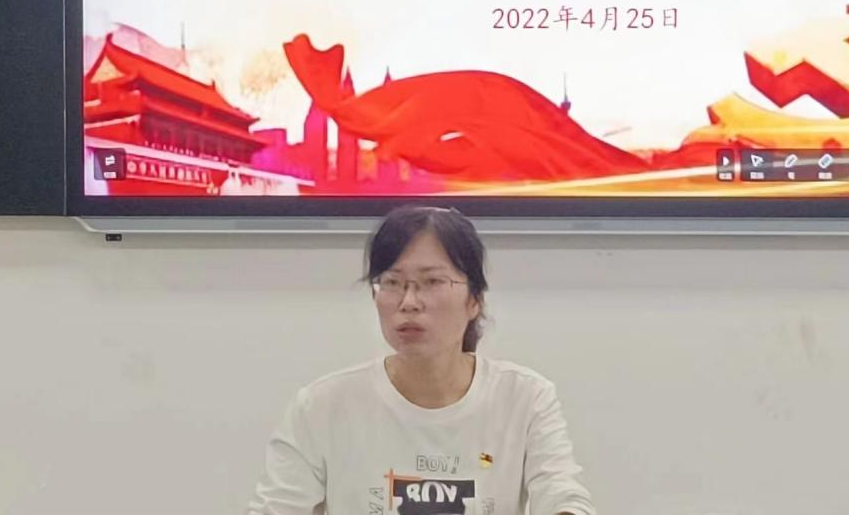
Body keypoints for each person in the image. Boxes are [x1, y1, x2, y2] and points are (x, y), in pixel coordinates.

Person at [247, 205, 596, 515]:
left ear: (474, 300)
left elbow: (563, 495)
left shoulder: (524, 397)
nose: (409, 302)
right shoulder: (323, 406)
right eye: (392, 282)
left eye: (432, 282)